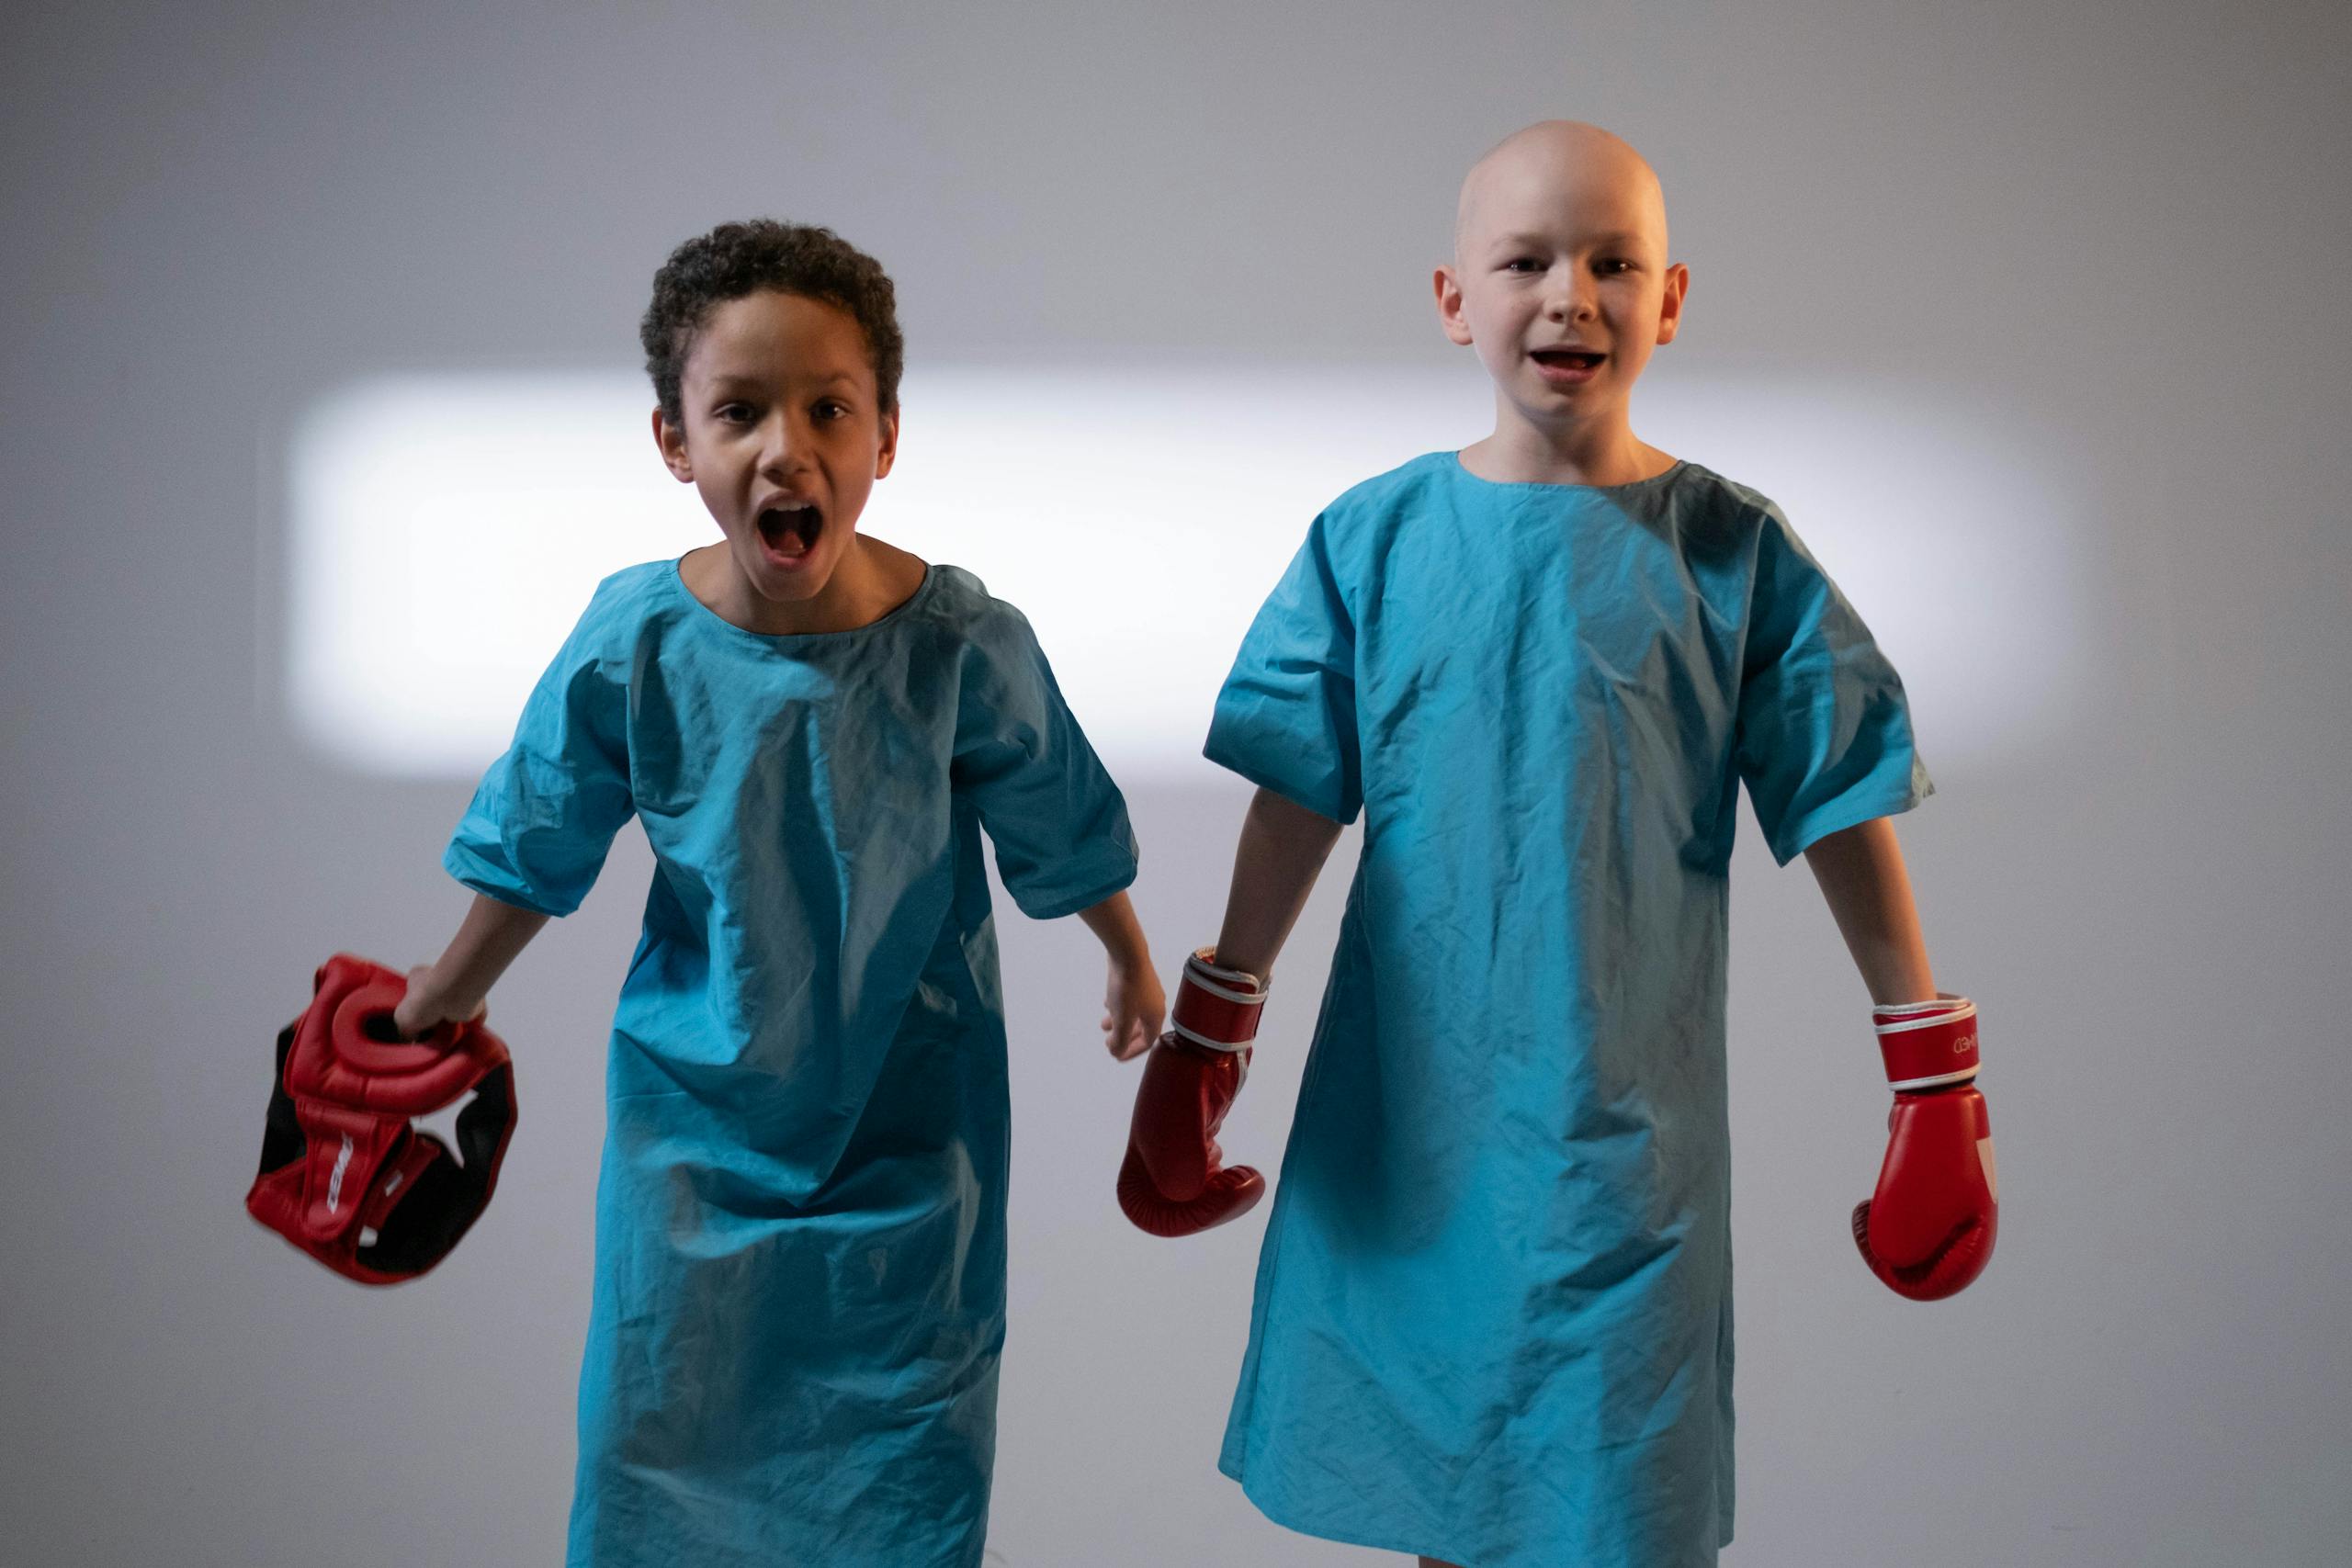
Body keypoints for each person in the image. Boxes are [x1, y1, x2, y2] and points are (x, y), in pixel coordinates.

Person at [1117, 120, 1997, 1568]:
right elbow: (1297, 796)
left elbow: (1838, 796)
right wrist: (1214, 1029)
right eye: (1526, 260)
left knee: (1612, 1509)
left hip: (1621, 1149)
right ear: (1456, 298)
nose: (1570, 295)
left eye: (1613, 262)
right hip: (1414, 1121)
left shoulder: (1730, 553)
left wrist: (1931, 1070)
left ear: (1673, 296)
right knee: (1450, 1503)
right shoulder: (1376, 542)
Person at [390, 219, 1163, 1568]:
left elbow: (1062, 819)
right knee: (663, 1455)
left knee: (899, 1480)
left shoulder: (962, 645)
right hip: (691, 1139)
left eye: (828, 407)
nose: (784, 448)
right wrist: (437, 1002)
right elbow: (538, 843)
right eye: (738, 411)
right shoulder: (635, 640)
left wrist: (1130, 957)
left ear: (887, 437)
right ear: (675, 443)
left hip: (909, 1139)